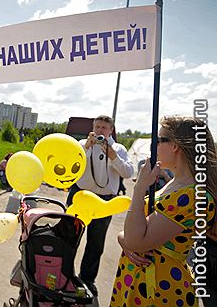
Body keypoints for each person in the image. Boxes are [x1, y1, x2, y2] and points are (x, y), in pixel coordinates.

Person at [110, 116, 216, 306]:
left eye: (159, 140)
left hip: (160, 290)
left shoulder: (192, 196)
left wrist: (139, 188)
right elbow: (138, 232)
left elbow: (136, 240)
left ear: (175, 146)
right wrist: (121, 238)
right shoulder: (174, 185)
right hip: (140, 284)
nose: (154, 145)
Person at [65, 115, 133, 296]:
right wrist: (87, 147)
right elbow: (73, 164)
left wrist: (113, 156)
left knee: (96, 242)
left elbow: (128, 172)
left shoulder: (119, 149)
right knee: (69, 237)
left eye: (104, 127)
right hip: (79, 197)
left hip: (104, 201)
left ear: (111, 130)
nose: (100, 130)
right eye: (97, 126)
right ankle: (64, 274)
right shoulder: (82, 144)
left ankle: (87, 279)